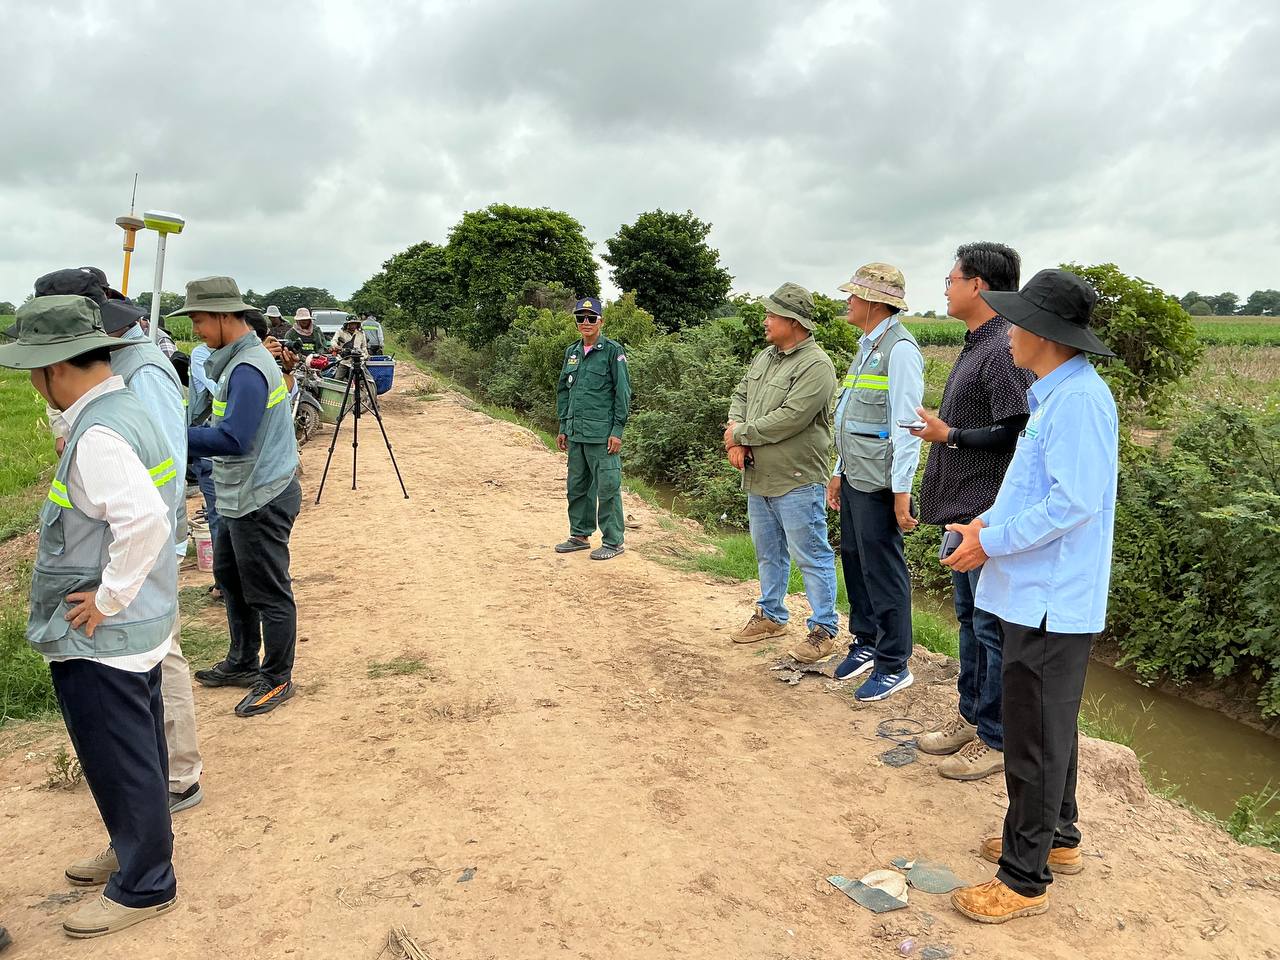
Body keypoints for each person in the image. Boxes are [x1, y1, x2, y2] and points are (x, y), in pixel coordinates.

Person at [0, 296, 180, 939]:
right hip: (144, 621)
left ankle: (144, 885)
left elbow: (145, 521)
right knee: (142, 751)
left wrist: (105, 600)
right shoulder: (124, 405)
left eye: (30, 367)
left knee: (120, 756)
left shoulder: (100, 433)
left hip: (106, 634)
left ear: (54, 367)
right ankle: (131, 846)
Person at [945, 269, 1118, 925]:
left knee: (1035, 740)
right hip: (1037, 594)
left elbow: (1072, 503)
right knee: (1049, 730)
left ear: (1045, 334)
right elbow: (1035, 490)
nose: (1008, 333)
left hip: (1052, 599)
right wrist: (986, 524)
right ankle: (1059, 838)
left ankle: (1023, 878)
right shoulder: (1057, 394)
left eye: (1017, 322)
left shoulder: (1077, 401)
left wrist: (993, 541)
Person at [34, 268, 205, 812]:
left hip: (140, 556)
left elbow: (162, 476)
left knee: (155, 665)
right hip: (129, 552)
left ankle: (173, 782)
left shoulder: (142, 373)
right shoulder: (112, 376)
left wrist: (125, 583)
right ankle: (151, 800)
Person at [911, 243, 1032, 782]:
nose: (945, 287)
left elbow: (1017, 428)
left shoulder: (1003, 348)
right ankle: (972, 716)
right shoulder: (977, 343)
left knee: (988, 628)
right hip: (962, 509)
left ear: (978, 284)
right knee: (969, 621)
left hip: (986, 513)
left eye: (951, 278)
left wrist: (950, 434)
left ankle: (996, 737)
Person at [176, 277, 302, 717]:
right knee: (231, 581)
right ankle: (243, 661)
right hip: (237, 494)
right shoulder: (233, 363)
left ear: (226, 316)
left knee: (268, 591)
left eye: (198, 319)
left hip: (261, 496)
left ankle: (276, 677)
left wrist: (170, 436)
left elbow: (234, 438)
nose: (195, 329)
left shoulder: (248, 369)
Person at [725, 283, 840, 659]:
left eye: (772, 315)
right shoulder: (766, 357)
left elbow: (791, 418)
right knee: (768, 552)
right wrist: (736, 437)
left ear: (793, 322)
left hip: (796, 480)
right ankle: (771, 615)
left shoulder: (816, 365)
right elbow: (740, 395)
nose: (765, 321)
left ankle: (823, 629)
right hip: (760, 477)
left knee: (811, 554)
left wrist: (740, 433)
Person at [828, 263, 924, 702]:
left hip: (880, 482)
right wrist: (837, 471)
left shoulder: (900, 350)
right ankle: (865, 641)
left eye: (854, 294)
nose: (848, 300)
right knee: (854, 559)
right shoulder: (867, 346)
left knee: (883, 569)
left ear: (874, 302)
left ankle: (893, 663)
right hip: (854, 474)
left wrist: (901, 490)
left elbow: (906, 426)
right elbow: (852, 416)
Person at [554, 297, 632, 561]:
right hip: (576, 433)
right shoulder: (572, 352)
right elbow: (565, 391)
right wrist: (564, 426)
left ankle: (613, 541)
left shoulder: (612, 351)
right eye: (580, 318)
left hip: (602, 435)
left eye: (591, 318)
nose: (585, 323)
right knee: (577, 486)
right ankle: (579, 535)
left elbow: (622, 393)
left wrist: (617, 431)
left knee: (607, 487)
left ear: (601, 321)